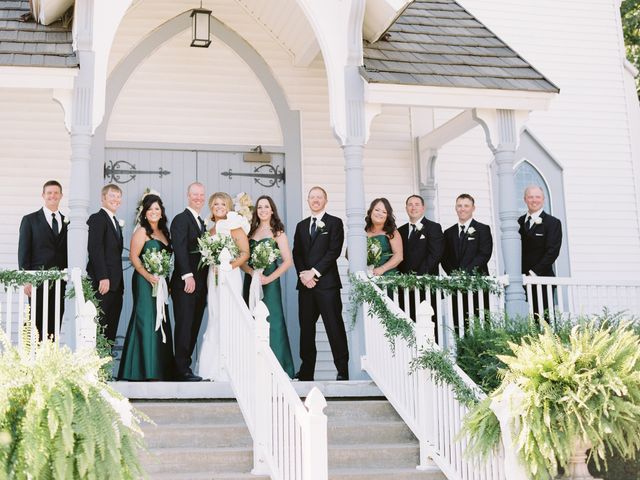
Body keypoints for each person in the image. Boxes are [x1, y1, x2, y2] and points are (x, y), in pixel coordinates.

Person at [292, 186, 349, 381]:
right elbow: (296, 253)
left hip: (327, 285)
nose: (315, 200)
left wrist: (314, 273)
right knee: (306, 330)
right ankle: (307, 372)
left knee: (334, 327)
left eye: (319, 197)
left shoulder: (335, 223)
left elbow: (334, 251)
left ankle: (342, 370)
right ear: (308, 201)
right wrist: (303, 275)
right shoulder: (301, 225)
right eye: (312, 197)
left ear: (325, 200)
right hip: (305, 286)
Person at [118, 194, 175, 381]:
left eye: (157, 209)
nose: (153, 212)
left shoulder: (164, 232)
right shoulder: (142, 231)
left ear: (161, 212)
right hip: (144, 281)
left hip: (161, 282)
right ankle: (140, 369)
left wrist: (163, 277)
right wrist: (148, 275)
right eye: (150, 209)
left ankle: (159, 368)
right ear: (144, 212)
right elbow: (134, 257)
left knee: (161, 319)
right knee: (146, 318)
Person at [197, 192, 250, 381]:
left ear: (228, 207)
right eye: (215, 204)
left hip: (229, 276)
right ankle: (211, 367)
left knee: (230, 315)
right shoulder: (210, 231)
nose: (219, 207)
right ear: (211, 207)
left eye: (223, 204)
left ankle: (231, 366)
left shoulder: (234, 226)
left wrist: (228, 266)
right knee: (215, 315)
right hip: (213, 277)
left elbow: (245, 252)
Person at [241, 196, 295, 378]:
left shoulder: (278, 233)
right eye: (260, 207)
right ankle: (254, 367)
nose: (263, 210)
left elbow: (288, 262)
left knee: (274, 320)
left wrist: (268, 278)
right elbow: (242, 260)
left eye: (266, 207)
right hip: (251, 282)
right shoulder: (249, 232)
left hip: (269, 283)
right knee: (251, 320)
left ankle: (279, 366)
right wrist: (252, 273)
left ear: (272, 210)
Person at [18, 180, 68, 340]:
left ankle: (50, 357)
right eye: (49, 193)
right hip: (37, 282)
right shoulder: (30, 220)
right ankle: (32, 359)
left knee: (55, 321)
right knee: (35, 321)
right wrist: (26, 278)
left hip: (59, 282)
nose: (52, 196)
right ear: (43, 195)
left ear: (61, 196)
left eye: (56, 193)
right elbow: (24, 251)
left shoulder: (68, 222)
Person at [170, 182, 208, 382]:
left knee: (194, 325)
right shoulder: (180, 219)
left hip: (201, 284)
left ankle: (185, 367)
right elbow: (180, 248)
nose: (198, 198)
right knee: (185, 324)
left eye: (201, 195)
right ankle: (181, 369)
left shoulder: (202, 222)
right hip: (186, 282)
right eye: (195, 194)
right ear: (187, 195)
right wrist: (187, 275)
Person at [441, 194, 493, 327]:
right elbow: (444, 257)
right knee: (459, 323)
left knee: (480, 323)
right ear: (455, 208)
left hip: (478, 284)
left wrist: (465, 274)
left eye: (466, 206)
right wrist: (455, 275)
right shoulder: (448, 233)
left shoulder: (483, 229)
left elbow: (484, 254)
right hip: (456, 286)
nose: (462, 209)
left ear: (473, 208)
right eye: (459, 205)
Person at [86, 184, 124, 345]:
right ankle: (96, 368)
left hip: (116, 286)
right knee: (99, 327)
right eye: (112, 196)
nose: (115, 200)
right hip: (104, 283)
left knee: (110, 330)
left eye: (118, 196)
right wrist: (103, 277)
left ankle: (105, 367)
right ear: (103, 198)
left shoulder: (114, 221)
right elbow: (95, 249)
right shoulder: (97, 218)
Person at [398, 194, 444, 323]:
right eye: (410, 205)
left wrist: (416, 279)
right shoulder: (400, 231)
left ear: (423, 208)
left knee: (429, 326)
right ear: (406, 208)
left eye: (417, 204)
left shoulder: (433, 227)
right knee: (408, 325)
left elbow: (435, 255)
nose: (413, 208)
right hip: (405, 289)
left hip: (426, 286)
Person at [517, 185, 562, 316]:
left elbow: (552, 251)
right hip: (520, 281)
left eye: (537, 197)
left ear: (543, 200)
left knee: (543, 319)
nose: (534, 200)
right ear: (525, 199)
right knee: (522, 319)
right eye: (530, 197)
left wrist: (533, 273)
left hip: (542, 279)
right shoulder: (518, 222)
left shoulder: (553, 223)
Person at [365, 198, 403, 276]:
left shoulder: (392, 232)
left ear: (387, 216)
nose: (380, 214)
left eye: (384, 212)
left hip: (387, 277)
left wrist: (382, 269)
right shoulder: (362, 231)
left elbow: (398, 256)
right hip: (366, 276)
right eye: (377, 210)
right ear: (371, 211)